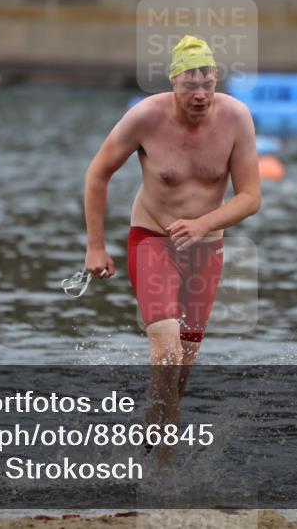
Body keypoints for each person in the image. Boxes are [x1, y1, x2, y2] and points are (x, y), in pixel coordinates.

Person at [83, 35, 261, 466]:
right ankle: (162, 472)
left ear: (216, 79)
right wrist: (95, 246)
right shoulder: (145, 117)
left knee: (180, 370)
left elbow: (251, 197)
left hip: (205, 249)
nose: (200, 95)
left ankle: (154, 427)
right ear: (174, 82)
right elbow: (98, 174)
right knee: (166, 353)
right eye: (189, 86)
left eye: (208, 84)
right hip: (152, 240)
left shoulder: (236, 118)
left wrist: (203, 224)